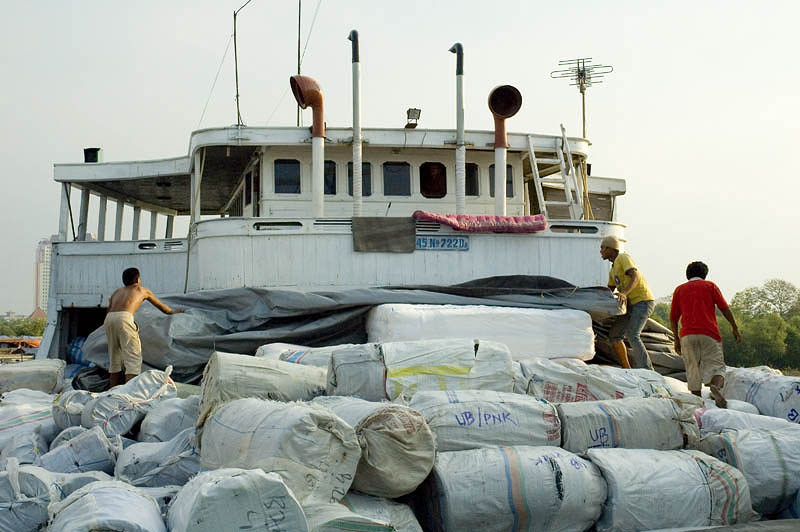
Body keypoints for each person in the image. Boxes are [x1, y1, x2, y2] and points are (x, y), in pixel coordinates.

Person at [669, 261, 742, 408]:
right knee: (718, 367)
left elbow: (673, 317)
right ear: (705, 274)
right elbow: (724, 308)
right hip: (709, 333)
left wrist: (676, 339)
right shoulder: (710, 286)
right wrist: (734, 327)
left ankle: (697, 404)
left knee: (693, 369)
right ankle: (715, 387)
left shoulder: (679, 290)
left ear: (687, 274)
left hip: (687, 335)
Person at [104, 267, 184, 387]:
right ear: (138, 279)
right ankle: (128, 394)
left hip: (109, 319)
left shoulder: (117, 292)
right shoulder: (142, 290)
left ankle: (111, 392)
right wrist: (174, 312)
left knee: (114, 359)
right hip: (124, 317)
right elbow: (163, 308)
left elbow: (109, 310)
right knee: (133, 359)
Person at [600, 235, 655, 369]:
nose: (600, 251)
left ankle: (648, 370)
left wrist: (624, 293)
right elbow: (609, 290)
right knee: (615, 335)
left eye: (603, 248)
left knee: (633, 334)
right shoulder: (613, 270)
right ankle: (627, 368)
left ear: (610, 248)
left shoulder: (623, 258)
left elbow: (635, 276)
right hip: (629, 305)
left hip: (643, 301)